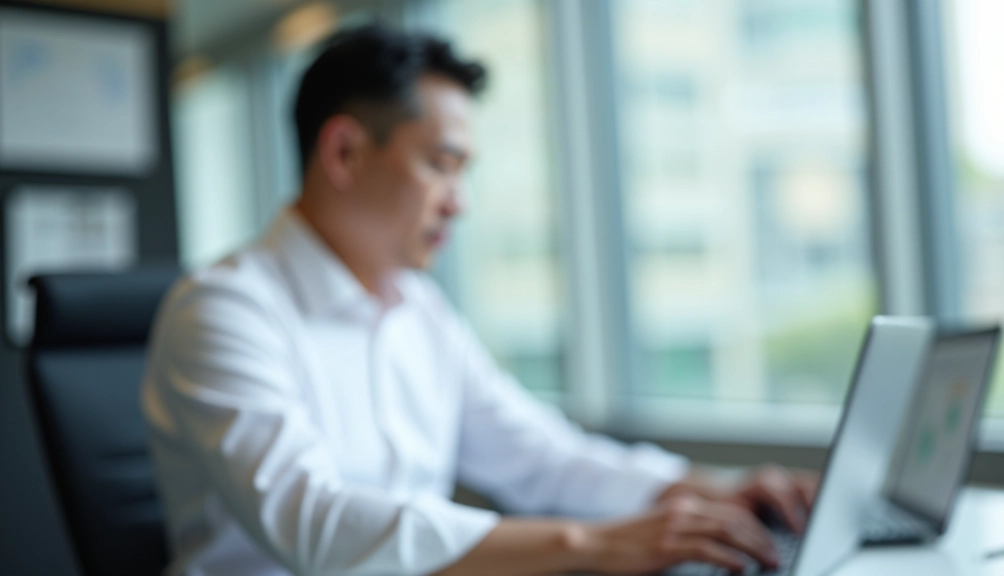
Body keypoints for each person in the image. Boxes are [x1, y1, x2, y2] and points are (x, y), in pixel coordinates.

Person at [142, 23, 816, 576]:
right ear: (344, 153)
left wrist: (705, 491)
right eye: (441, 164)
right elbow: (315, 523)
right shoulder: (223, 310)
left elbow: (540, 455)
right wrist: (596, 545)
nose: (458, 203)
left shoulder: (419, 310)